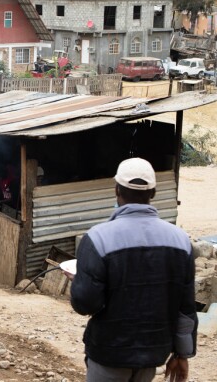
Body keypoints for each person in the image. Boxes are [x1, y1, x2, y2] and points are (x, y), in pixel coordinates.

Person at [69, 158, 196, 382]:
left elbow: (85, 303)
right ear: (153, 193)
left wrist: (78, 281)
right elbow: (185, 308)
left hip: (109, 352)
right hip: (153, 353)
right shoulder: (181, 241)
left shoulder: (98, 238)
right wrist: (182, 353)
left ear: (117, 190)